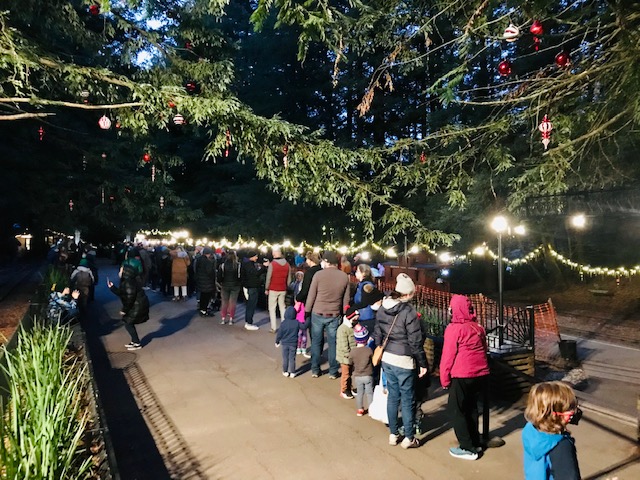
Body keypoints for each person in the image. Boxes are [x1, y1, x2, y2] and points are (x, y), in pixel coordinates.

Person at [373, 273, 427, 450]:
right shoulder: (408, 312)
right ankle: (409, 438)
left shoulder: (383, 307)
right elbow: (415, 341)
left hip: (387, 358)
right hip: (404, 360)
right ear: (408, 294)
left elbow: (378, 333)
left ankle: (393, 433)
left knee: (393, 397)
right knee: (407, 399)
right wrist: (423, 363)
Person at [440, 294, 490, 461]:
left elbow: (447, 356)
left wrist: (444, 378)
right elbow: (485, 349)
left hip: (461, 374)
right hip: (480, 374)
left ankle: (467, 447)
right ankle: (475, 441)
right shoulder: (478, 328)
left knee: (456, 410)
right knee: (471, 408)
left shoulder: (454, 329)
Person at [522, 381, 582, 479]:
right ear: (554, 415)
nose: (574, 411)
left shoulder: (530, 430)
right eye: (570, 408)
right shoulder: (562, 446)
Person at [305, 251, 350, 379]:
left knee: (316, 342)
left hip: (318, 313)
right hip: (334, 314)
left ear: (327, 262)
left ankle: (315, 369)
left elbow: (311, 295)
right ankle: (333, 371)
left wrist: (307, 311)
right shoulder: (344, 277)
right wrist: (345, 313)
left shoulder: (318, 275)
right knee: (333, 344)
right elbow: (345, 300)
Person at [108, 264, 150, 350]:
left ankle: (137, 343)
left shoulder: (128, 282)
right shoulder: (128, 281)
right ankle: (134, 341)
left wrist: (124, 310)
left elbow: (129, 298)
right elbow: (123, 293)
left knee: (128, 323)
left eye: (121, 270)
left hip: (137, 305)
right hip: (137, 305)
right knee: (128, 322)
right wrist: (112, 288)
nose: (119, 272)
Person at [264, 246, 292, 333]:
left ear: (275, 254)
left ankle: (273, 327)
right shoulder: (287, 265)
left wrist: (266, 288)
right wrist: (286, 286)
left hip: (273, 288)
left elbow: (269, 277)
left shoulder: (273, 264)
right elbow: (289, 279)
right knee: (282, 307)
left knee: (272, 308)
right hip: (283, 289)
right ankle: (284, 326)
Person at [351, 324, 374, 417]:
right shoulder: (369, 350)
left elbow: (350, 361)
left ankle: (360, 409)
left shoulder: (353, 351)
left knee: (360, 393)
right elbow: (373, 360)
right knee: (369, 393)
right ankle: (371, 409)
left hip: (357, 376)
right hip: (368, 374)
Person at [336, 307, 359, 399]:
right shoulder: (343, 329)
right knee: (346, 374)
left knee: (350, 373)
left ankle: (349, 388)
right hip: (345, 356)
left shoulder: (352, 326)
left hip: (351, 354)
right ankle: (343, 390)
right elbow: (343, 344)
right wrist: (348, 354)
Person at [352, 264, 381, 334]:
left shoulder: (367, 286)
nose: (356, 273)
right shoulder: (361, 284)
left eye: (358, 271)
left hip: (367, 317)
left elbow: (364, 302)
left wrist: (352, 308)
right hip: (362, 316)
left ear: (363, 273)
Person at [218, 250, 242, 325]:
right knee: (233, 302)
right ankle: (231, 318)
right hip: (235, 285)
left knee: (224, 302)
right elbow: (240, 276)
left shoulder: (223, 265)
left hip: (225, 285)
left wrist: (221, 282)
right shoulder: (238, 265)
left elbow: (219, 277)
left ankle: (223, 318)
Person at [240, 251, 263, 330]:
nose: (257, 258)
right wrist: (263, 268)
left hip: (248, 286)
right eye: (256, 256)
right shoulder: (249, 265)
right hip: (252, 286)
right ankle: (249, 323)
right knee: (251, 305)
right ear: (252, 257)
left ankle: (248, 321)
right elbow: (254, 274)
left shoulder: (245, 263)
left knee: (250, 305)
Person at [275, 306, 300, 377]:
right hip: (293, 344)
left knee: (285, 358)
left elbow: (279, 333)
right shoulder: (296, 323)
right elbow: (303, 327)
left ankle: (285, 371)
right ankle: (292, 372)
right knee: (292, 358)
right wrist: (307, 320)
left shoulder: (283, 323)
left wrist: (277, 341)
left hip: (285, 343)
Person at [194, 247, 217, 317]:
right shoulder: (207, 262)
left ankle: (202, 309)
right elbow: (210, 272)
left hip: (200, 280)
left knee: (202, 296)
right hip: (207, 281)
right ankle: (204, 310)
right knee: (206, 297)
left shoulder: (198, 259)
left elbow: (195, 269)